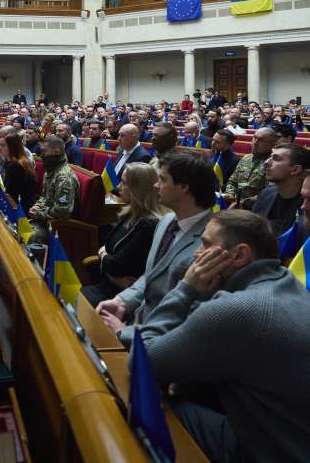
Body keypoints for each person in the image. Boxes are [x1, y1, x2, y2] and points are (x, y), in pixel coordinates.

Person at [137, 210, 310, 463]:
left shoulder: (240, 310)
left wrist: (184, 289)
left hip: (275, 453)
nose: (196, 253)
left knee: (149, 404)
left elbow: (143, 360)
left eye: (206, 244)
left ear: (239, 255)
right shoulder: (286, 283)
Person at [97, 151, 217, 348]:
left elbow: (190, 315)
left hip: (162, 344)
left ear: (184, 187)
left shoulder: (211, 243)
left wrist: (124, 332)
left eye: (162, 179)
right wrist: (122, 301)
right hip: (136, 323)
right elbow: (151, 276)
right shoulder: (167, 221)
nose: (155, 185)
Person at [81, 163, 162, 307]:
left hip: (121, 297)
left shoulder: (148, 225)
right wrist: (107, 261)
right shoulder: (130, 212)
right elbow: (106, 247)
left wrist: (104, 256)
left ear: (138, 189)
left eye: (124, 183)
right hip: (108, 284)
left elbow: (115, 266)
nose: (118, 187)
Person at [27, 136, 79, 244]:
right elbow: (44, 196)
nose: (41, 154)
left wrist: (39, 213)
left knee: (29, 236)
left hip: (59, 226)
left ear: (56, 151)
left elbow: (62, 212)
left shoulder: (64, 177)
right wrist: (38, 206)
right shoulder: (51, 170)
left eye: (44, 151)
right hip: (45, 220)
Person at [253, 144, 310, 235]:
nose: (266, 162)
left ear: (295, 170)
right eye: (270, 157)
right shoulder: (266, 194)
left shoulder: (307, 205)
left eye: (276, 159)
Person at [224, 127, 278, 209]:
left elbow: (268, 193)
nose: (255, 142)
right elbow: (232, 181)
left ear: (272, 145)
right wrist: (230, 195)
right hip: (235, 204)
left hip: (257, 209)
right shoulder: (246, 158)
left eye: (261, 140)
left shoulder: (273, 164)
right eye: (254, 138)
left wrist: (242, 203)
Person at [0, 132, 37, 213]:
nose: (0, 149)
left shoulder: (16, 166)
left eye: (3, 145)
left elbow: (11, 194)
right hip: (15, 202)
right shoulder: (11, 162)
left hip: (21, 209)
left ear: (12, 147)